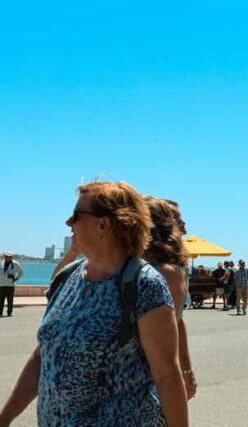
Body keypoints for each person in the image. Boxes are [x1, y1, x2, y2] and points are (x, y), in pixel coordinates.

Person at [0, 181, 188, 426]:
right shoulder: (66, 277)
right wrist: (5, 417)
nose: (69, 222)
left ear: (104, 224)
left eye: (77, 215)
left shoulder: (143, 284)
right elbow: (42, 357)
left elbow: (167, 376)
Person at [142, 197, 197, 401]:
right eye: (178, 221)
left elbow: (177, 322)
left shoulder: (174, 270)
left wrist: (187, 370)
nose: (183, 228)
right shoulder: (163, 273)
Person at [0, 252, 24, 317]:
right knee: (0, 300)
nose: (6, 257)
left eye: (7, 256)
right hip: (1, 284)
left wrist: (16, 279)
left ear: (11, 257)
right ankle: (0, 313)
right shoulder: (1, 263)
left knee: (10, 300)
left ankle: (9, 312)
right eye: (5, 256)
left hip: (10, 285)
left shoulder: (15, 264)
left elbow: (21, 272)